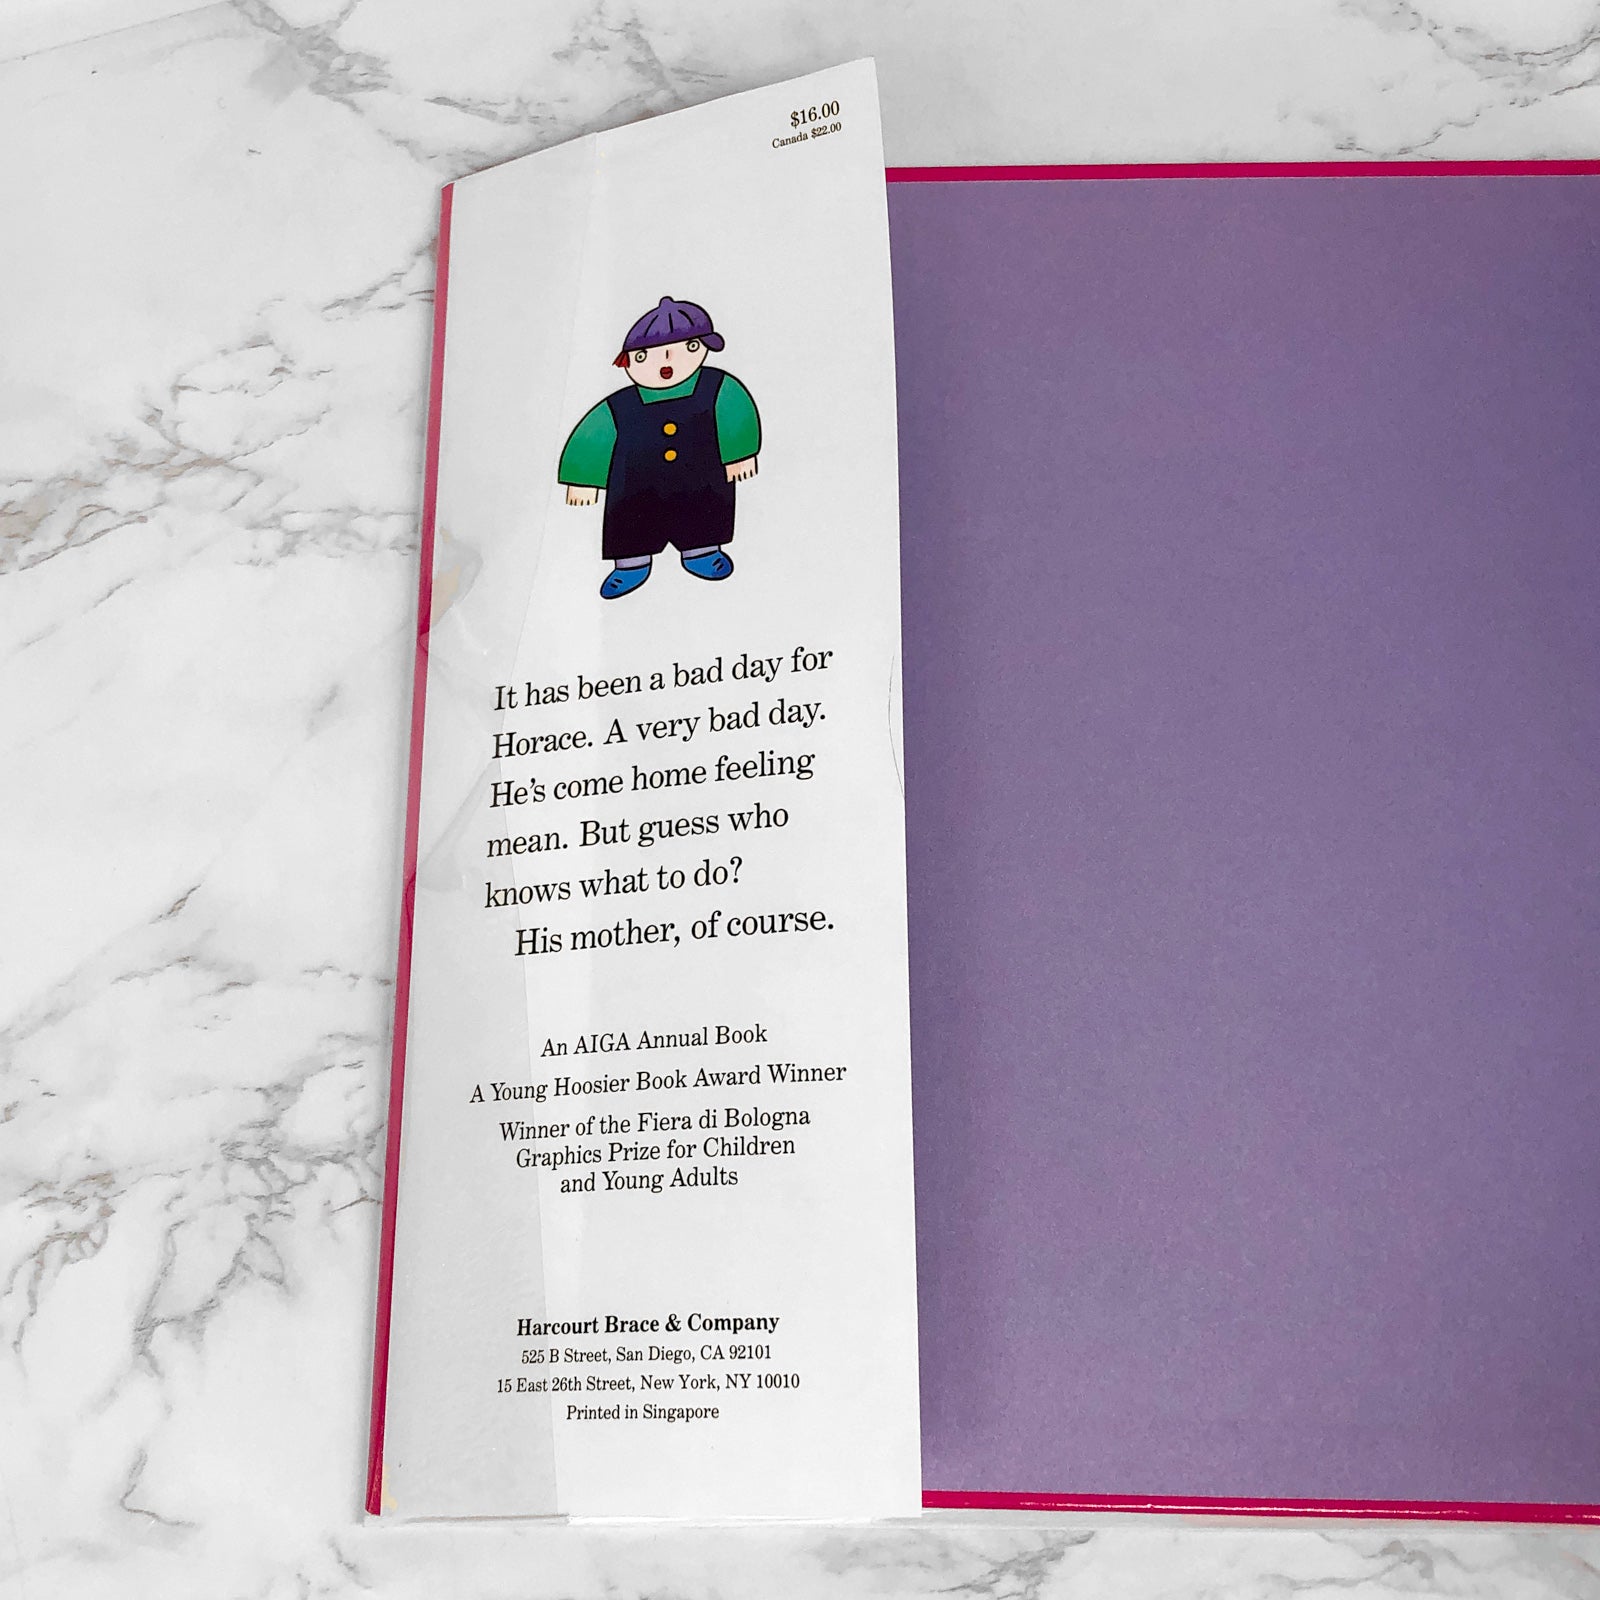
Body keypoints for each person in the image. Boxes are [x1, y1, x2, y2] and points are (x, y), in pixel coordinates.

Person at [557, 297, 762, 599]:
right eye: (645, 356)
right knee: (631, 523)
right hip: (635, 487)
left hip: (701, 478)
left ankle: (702, 551)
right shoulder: (619, 405)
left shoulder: (718, 387)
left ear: (700, 348)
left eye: (683, 349)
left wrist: (739, 454)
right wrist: (583, 480)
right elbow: (592, 438)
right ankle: (630, 564)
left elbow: (736, 413)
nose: (665, 362)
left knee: (703, 514)